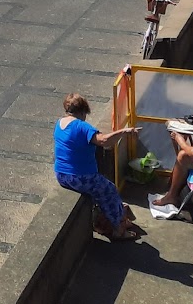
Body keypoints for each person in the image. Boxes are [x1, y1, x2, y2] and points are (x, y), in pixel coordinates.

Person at [54, 94, 143, 241]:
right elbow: (104, 141)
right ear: (83, 111)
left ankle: (108, 220)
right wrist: (124, 132)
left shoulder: (60, 123)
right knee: (110, 190)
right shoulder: (81, 126)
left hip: (62, 175)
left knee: (99, 191)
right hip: (80, 177)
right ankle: (118, 229)